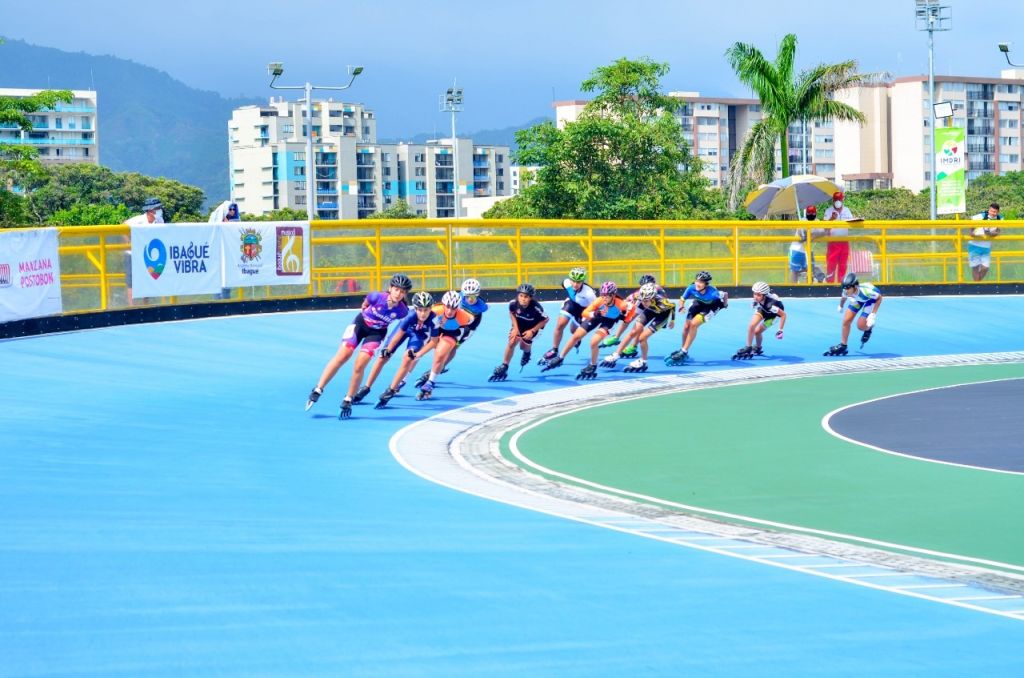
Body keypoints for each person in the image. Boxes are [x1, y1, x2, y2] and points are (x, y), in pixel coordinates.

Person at [305, 273, 413, 419]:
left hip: (376, 334)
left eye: (402, 292)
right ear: (390, 288)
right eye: (396, 290)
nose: (399, 294)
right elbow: (366, 302)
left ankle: (348, 398)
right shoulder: (376, 297)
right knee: (343, 355)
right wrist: (365, 308)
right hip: (360, 324)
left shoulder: (402, 311)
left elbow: (403, 325)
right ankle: (318, 389)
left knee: (359, 365)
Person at [541, 281, 634, 380]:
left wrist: (627, 318)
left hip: (609, 322)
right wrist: (595, 314)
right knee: (576, 336)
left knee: (593, 342)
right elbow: (584, 313)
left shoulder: (622, 304)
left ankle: (592, 365)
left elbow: (632, 309)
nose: (604, 298)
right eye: (603, 295)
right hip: (598, 315)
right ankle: (560, 357)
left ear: (613, 295)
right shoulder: (599, 301)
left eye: (607, 296)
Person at [365, 292, 439, 409]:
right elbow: (399, 335)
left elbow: (434, 342)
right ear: (415, 309)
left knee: (407, 358)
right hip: (404, 331)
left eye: (426, 310)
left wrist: (418, 354)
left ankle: (391, 390)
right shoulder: (410, 316)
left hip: (418, 336)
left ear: (431, 308)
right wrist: (388, 350)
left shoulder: (434, 320)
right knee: (383, 356)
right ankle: (366, 387)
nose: (423, 313)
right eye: (420, 310)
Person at [414, 277, 488, 388]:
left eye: (473, 296)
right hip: (455, 319)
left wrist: (467, 329)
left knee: (453, 347)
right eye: (467, 296)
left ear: (477, 295)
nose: (470, 299)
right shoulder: (458, 297)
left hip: (469, 326)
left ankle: (442, 365)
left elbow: (474, 321)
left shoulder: (482, 306)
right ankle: (439, 362)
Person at [601, 281, 675, 373]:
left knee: (642, 338)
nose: (643, 303)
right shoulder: (639, 296)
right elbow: (627, 300)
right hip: (650, 310)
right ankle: (616, 354)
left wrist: (672, 321)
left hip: (662, 315)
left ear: (652, 298)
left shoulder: (662, 302)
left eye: (646, 301)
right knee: (633, 331)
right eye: (642, 300)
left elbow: (673, 306)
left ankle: (643, 362)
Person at [417, 290, 476, 400]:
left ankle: (431, 382)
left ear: (458, 308)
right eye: (447, 307)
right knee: (420, 348)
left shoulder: (466, 317)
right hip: (437, 329)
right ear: (443, 304)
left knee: (440, 354)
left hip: (453, 332)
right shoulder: (435, 310)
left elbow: (471, 327)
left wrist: (459, 342)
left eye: (453, 308)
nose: (449, 311)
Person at [664, 271, 728, 366]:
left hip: (711, 307)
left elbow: (725, 294)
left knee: (693, 324)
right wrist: (681, 306)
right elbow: (682, 299)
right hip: (699, 303)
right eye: (697, 281)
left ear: (706, 284)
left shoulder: (713, 293)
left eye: (701, 282)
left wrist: (725, 304)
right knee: (686, 327)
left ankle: (684, 351)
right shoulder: (691, 287)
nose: (698, 284)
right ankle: (683, 349)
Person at [489, 283, 549, 382]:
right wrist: (515, 329)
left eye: (526, 297)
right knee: (512, 341)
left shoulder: (536, 308)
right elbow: (512, 313)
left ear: (530, 298)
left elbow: (546, 319)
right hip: (519, 324)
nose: (523, 299)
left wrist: (532, 330)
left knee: (523, 346)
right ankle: (504, 365)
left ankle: (527, 352)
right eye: (521, 296)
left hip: (533, 326)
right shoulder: (513, 304)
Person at [539, 266, 596, 366]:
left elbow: (595, 306)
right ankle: (554, 349)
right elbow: (569, 289)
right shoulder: (566, 283)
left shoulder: (589, 293)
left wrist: (587, 316)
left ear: (583, 281)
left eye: (578, 282)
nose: (575, 284)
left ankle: (578, 339)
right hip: (571, 304)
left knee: (573, 331)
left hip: (583, 310)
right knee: (560, 325)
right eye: (573, 281)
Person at [824, 273, 882, 356]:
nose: (845, 290)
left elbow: (879, 298)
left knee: (861, 326)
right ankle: (843, 345)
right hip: (858, 299)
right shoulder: (846, 290)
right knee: (846, 321)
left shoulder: (866, 292)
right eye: (844, 287)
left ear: (855, 287)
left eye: (848, 288)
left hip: (870, 299)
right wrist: (841, 305)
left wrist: (873, 314)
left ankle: (868, 329)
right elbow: (843, 298)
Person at [123, 197, 166, 305]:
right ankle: (131, 306)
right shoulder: (137, 221)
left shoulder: (160, 221)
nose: (160, 209)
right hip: (132, 254)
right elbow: (123, 226)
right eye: (158, 208)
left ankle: (145, 305)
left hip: (147, 254)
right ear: (151, 210)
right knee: (131, 282)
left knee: (147, 279)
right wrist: (129, 242)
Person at [732, 281, 786, 360]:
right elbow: (757, 299)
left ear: (764, 295)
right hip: (763, 309)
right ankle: (748, 347)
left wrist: (780, 330)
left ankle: (757, 347)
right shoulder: (760, 298)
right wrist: (755, 302)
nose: (755, 297)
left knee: (757, 332)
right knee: (751, 326)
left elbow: (783, 315)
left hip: (773, 316)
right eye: (754, 294)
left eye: (758, 295)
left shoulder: (770, 305)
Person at [788, 206, 826, 283]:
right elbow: (802, 236)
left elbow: (822, 232)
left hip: (807, 249)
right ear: (807, 213)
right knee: (795, 270)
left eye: (813, 213)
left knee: (810, 268)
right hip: (797, 249)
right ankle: (793, 288)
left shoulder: (817, 221)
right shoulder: (802, 221)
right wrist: (810, 234)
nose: (811, 214)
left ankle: (815, 282)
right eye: (809, 213)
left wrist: (812, 236)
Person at [822, 191, 853, 283]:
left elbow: (851, 222)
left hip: (844, 241)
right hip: (833, 242)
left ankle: (842, 284)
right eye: (836, 200)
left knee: (843, 264)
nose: (838, 201)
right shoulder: (828, 211)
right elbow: (824, 227)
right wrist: (831, 219)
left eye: (839, 199)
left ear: (842, 200)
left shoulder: (847, 210)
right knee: (831, 264)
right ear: (833, 200)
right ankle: (830, 284)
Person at [967, 202, 1002, 281]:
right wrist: (972, 232)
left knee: (985, 268)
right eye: (992, 211)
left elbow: (998, 231)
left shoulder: (999, 218)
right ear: (989, 210)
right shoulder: (982, 216)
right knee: (975, 268)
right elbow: (970, 220)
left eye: (995, 212)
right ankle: (977, 287)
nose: (993, 213)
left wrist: (991, 233)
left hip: (986, 246)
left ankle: (977, 284)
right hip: (974, 245)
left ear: (998, 212)